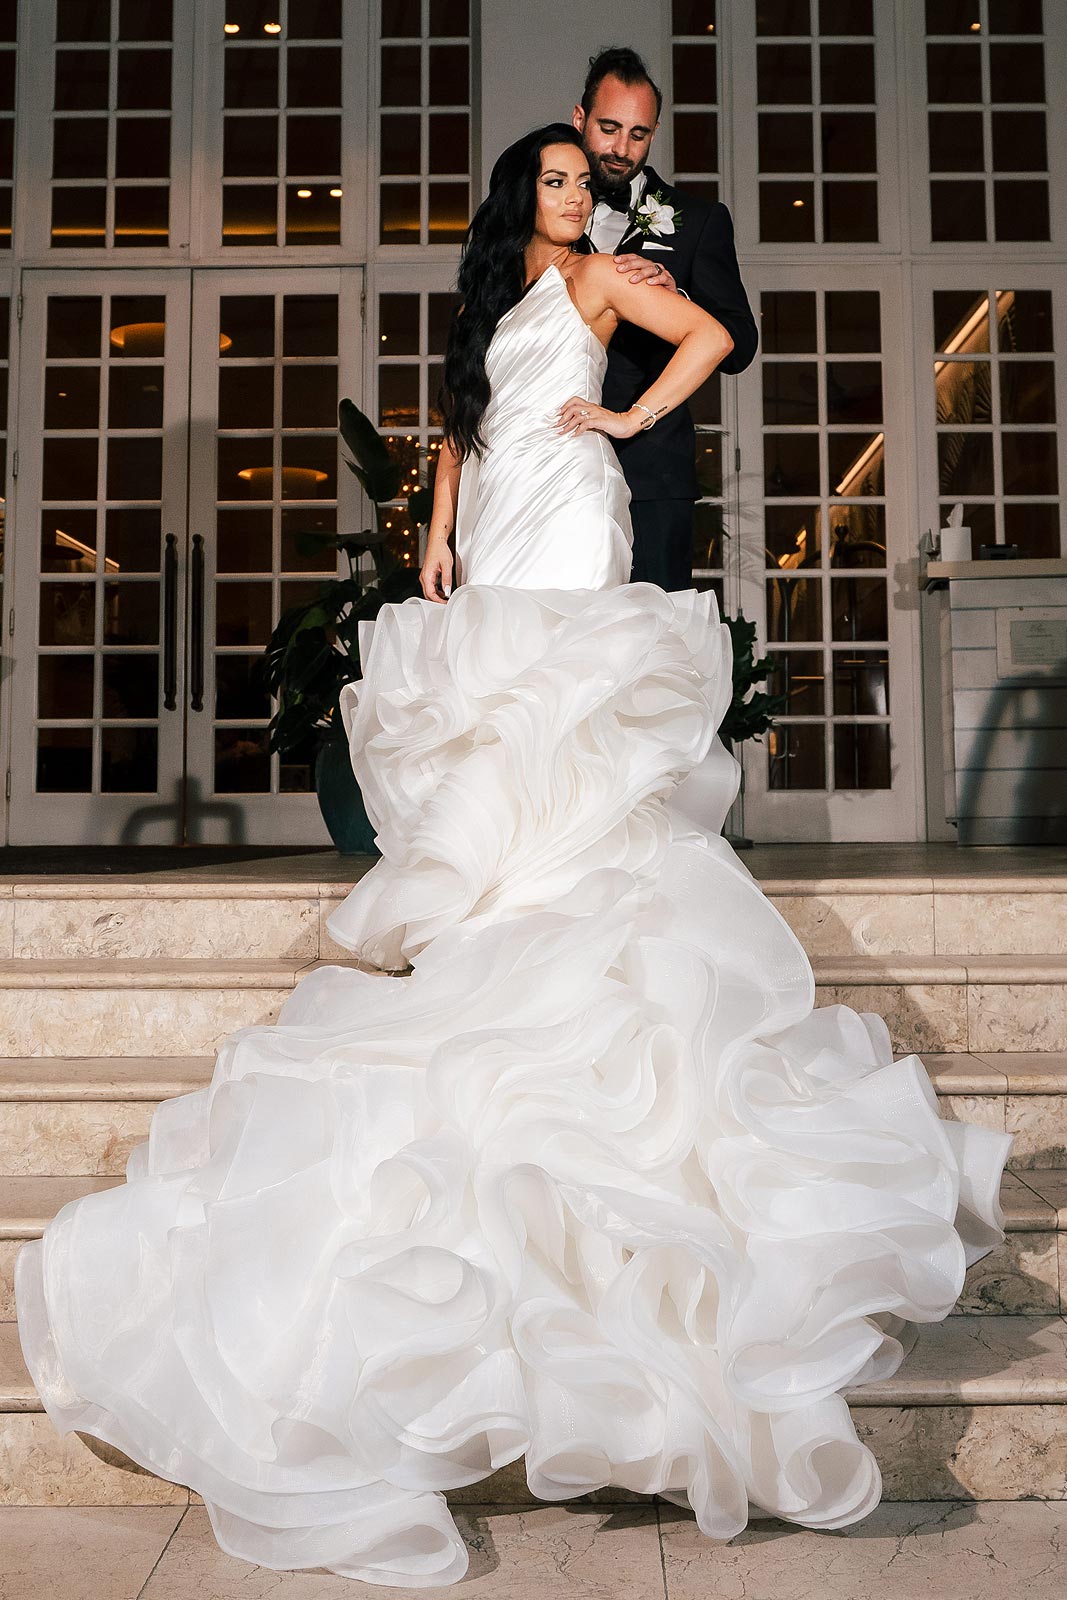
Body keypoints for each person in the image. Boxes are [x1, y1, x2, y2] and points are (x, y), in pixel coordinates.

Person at [17, 126, 1008, 1590]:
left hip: (575, 533)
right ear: (513, 196)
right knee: (497, 754)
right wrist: (432, 532)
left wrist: (624, 424)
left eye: (579, 179)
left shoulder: (608, 279)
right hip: (496, 535)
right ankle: (507, 939)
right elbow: (461, 433)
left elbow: (715, 333)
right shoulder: (488, 305)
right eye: (548, 179)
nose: (570, 195)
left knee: (577, 751)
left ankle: (582, 956)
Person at [572, 47, 758, 591]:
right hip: (558, 459)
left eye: (639, 134)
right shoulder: (541, 215)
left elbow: (740, 344)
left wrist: (678, 297)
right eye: (609, 129)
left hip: (652, 469)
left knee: (651, 642)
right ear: (580, 118)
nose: (621, 149)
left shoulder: (699, 220)